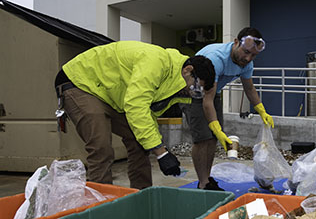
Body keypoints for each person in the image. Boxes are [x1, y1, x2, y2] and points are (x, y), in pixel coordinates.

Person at [54, 41, 215, 189]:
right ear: (188, 71)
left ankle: (142, 197)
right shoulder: (156, 62)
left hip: (107, 94)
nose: (192, 93)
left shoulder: (171, 82)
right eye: (195, 87)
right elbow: (136, 105)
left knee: (139, 142)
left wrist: (161, 149)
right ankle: (101, 208)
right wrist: (161, 153)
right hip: (79, 82)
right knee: (101, 147)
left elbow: (146, 115)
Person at [182, 27, 274, 190]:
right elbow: (206, 99)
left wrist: (261, 110)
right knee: (202, 138)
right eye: (246, 52)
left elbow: (249, 88)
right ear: (236, 42)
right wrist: (215, 126)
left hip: (213, 92)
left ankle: (207, 179)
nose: (248, 58)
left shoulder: (246, 63)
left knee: (213, 138)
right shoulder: (216, 58)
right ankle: (203, 183)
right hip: (193, 92)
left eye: (253, 55)